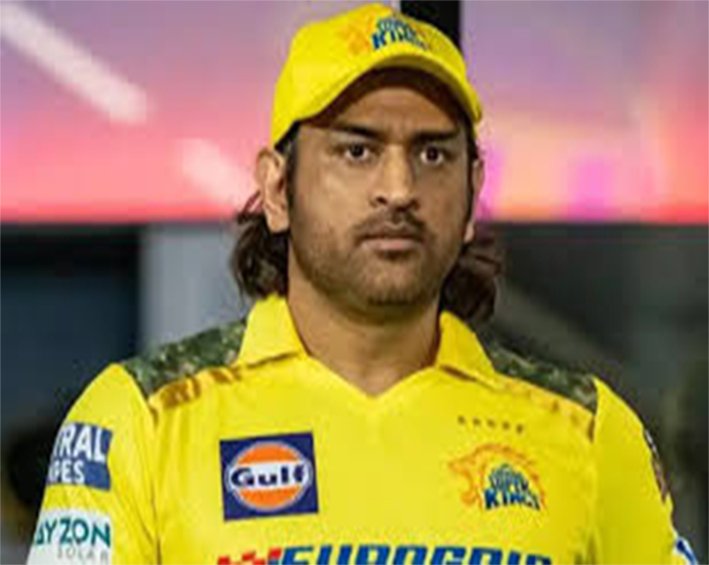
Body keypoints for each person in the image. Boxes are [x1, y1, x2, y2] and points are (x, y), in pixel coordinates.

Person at [28, 4, 696, 564]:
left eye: (432, 153)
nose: (399, 188)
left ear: (472, 190)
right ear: (277, 188)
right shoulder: (141, 417)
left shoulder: (587, 429)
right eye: (358, 150)